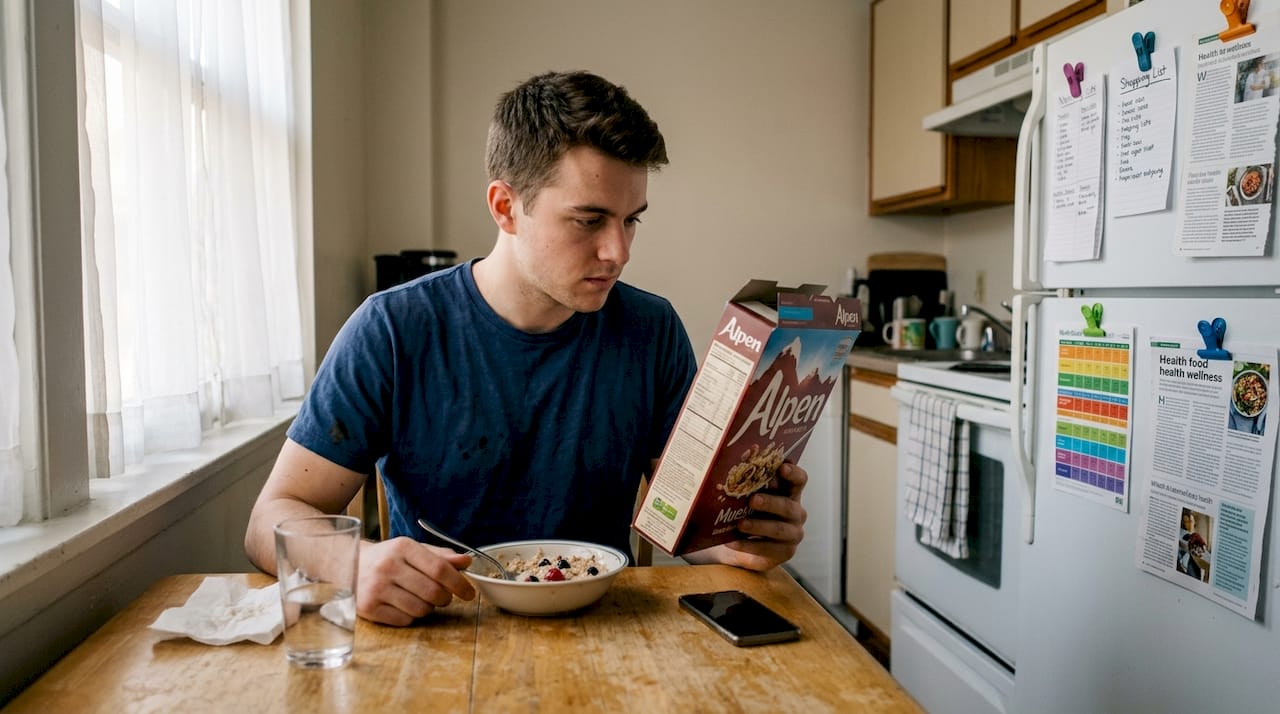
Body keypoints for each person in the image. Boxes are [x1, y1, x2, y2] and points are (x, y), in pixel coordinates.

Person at [243, 70, 809, 626]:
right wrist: (355, 561)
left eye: (630, 221)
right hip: (441, 628)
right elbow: (272, 517)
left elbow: (684, 523)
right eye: (589, 220)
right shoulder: (392, 329)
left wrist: (743, 540)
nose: (618, 251)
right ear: (505, 207)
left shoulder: (650, 329)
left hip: (602, 630)